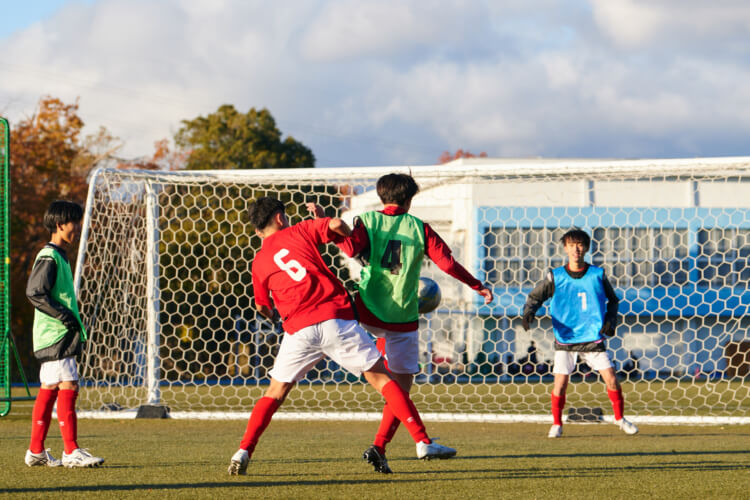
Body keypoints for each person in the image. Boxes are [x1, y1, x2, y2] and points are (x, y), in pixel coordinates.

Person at [227, 197, 456, 476]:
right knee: (383, 379)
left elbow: (262, 305)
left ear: (256, 231)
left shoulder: (259, 260)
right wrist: (349, 236)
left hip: (298, 329)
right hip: (334, 319)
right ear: (279, 218)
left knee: (275, 393)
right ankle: (422, 441)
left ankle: (243, 450)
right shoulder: (298, 230)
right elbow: (335, 224)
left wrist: (274, 316)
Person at [331, 173, 493, 474]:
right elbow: (446, 264)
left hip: (367, 310)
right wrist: (476, 285)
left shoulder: (368, 220)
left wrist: (333, 232)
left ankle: (380, 448)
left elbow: (352, 250)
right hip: (402, 316)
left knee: (390, 383)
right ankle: (418, 441)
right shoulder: (419, 227)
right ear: (408, 200)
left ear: (382, 197)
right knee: (401, 386)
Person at [522, 228, 638, 438]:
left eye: (580, 245)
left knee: (611, 379)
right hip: (566, 338)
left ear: (586, 248)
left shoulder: (597, 274)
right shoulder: (555, 276)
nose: (576, 249)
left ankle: (620, 419)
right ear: (565, 248)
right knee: (560, 383)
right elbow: (535, 297)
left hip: (592, 336)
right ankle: (557, 423)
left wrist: (611, 321)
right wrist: (529, 311)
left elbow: (614, 300)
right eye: (572, 245)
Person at [25, 200, 105, 468]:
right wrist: (65, 317)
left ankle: (36, 450)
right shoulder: (49, 257)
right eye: (74, 223)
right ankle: (71, 451)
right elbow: (35, 292)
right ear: (60, 225)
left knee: (49, 387)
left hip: (52, 334)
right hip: (57, 334)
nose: (77, 228)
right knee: (68, 384)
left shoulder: (57, 255)